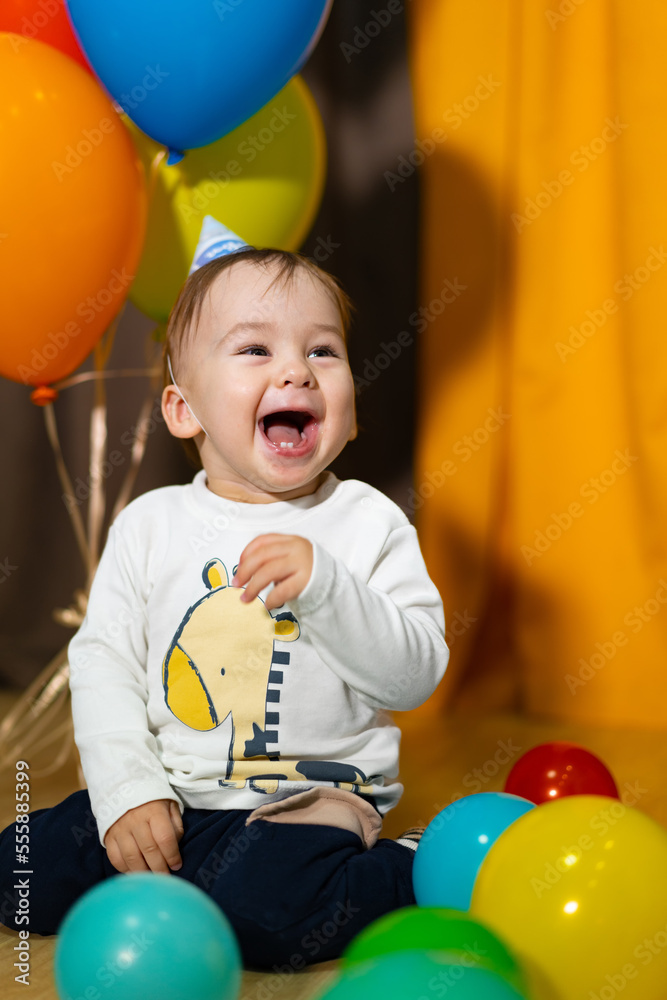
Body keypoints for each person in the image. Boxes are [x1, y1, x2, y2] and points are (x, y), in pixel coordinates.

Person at [0, 247, 448, 969]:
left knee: (271, 917)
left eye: (322, 351)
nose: (296, 370)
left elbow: (414, 673)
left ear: (352, 412)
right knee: (19, 870)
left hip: (299, 808)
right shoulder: (151, 525)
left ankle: (409, 867)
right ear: (184, 411)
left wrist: (327, 587)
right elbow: (104, 661)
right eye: (254, 348)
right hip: (168, 792)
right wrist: (126, 792)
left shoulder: (367, 523)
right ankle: (186, 877)